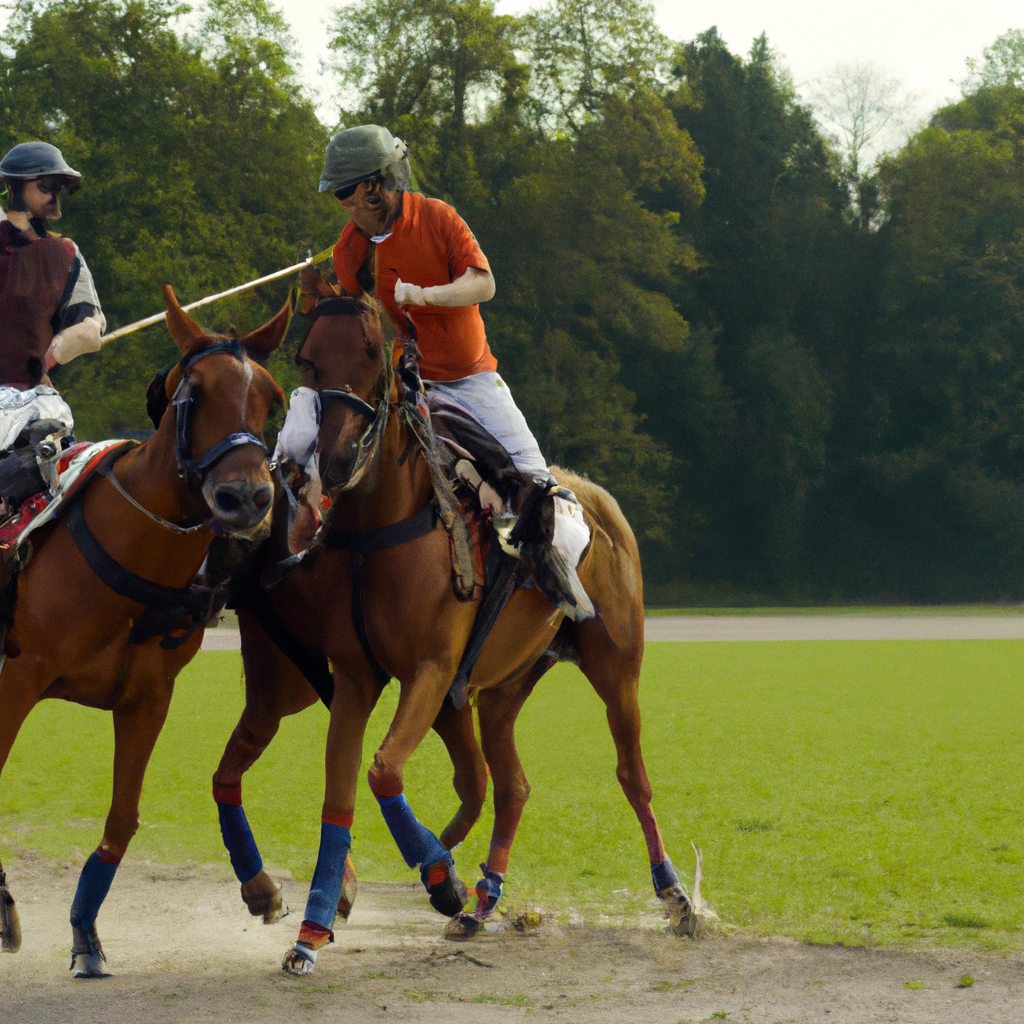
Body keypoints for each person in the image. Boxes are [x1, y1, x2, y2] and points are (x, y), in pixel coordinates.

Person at [296, 124, 590, 618]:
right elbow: (357, 329)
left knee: (543, 493)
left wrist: (425, 296)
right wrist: (320, 298)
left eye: (347, 193)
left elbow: (484, 284)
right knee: (323, 448)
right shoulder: (350, 251)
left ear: (375, 185)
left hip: (472, 379)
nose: (343, 205)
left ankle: (552, 600)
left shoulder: (438, 219)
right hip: (407, 382)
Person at [0, 141, 105, 506]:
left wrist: (59, 352)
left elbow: (90, 324)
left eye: (56, 190)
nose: (52, 197)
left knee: (52, 460)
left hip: (30, 400)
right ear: (14, 186)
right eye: (44, 187)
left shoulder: (65, 253)